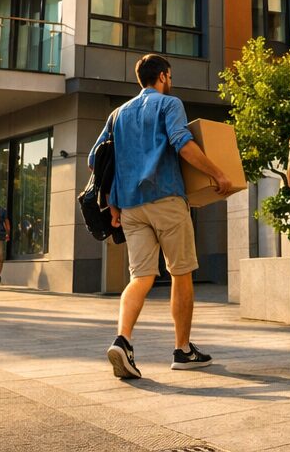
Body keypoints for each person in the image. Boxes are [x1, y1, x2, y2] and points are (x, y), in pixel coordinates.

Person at [100, 53, 240, 380]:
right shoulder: (169, 104)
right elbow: (182, 143)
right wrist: (218, 173)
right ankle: (182, 350)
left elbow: (99, 160)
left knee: (140, 277)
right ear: (163, 76)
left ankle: (123, 341)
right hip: (165, 197)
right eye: (170, 76)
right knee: (181, 272)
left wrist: (112, 203)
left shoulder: (117, 114)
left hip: (130, 206)